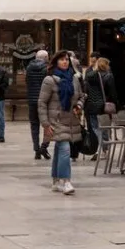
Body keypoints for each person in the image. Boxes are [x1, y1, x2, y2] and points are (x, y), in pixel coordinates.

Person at [37, 52, 86, 195]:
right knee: (65, 149)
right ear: (56, 62)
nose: (65, 62)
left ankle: (56, 180)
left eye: (66, 60)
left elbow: (82, 96)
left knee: (60, 149)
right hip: (56, 121)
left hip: (71, 120)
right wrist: (45, 124)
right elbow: (42, 103)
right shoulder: (49, 80)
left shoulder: (74, 79)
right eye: (62, 60)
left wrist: (79, 105)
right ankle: (66, 181)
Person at [24, 48, 52, 160]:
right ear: (45, 58)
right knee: (47, 125)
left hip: (32, 100)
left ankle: (36, 149)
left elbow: (27, 82)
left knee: (34, 125)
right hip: (44, 101)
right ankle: (44, 146)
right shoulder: (46, 69)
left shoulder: (29, 68)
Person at [83, 55, 116, 146]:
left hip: (91, 105)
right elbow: (112, 92)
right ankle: (104, 146)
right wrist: (115, 103)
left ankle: (100, 146)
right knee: (104, 126)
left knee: (94, 127)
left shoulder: (89, 75)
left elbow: (85, 89)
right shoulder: (108, 76)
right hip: (103, 105)